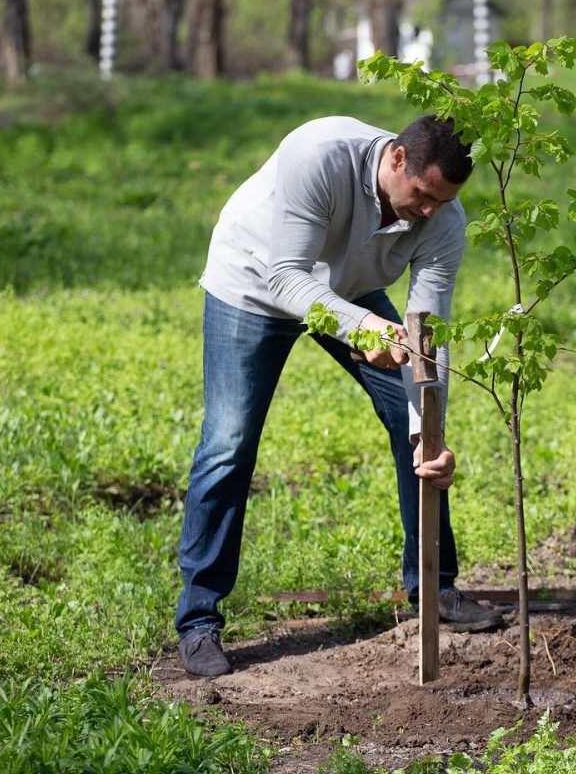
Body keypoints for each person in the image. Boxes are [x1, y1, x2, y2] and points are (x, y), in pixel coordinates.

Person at [176, 115, 504, 677]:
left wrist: (433, 429)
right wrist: (363, 330)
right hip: (255, 282)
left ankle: (435, 586)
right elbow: (286, 278)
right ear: (396, 159)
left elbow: (429, 337)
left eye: (441, 201)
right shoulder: (320, 154)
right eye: (422, 195)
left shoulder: (443, 218)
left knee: (414, 427)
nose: (427, 211)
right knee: (229, 443)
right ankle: (199, 619)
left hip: (345, 292)